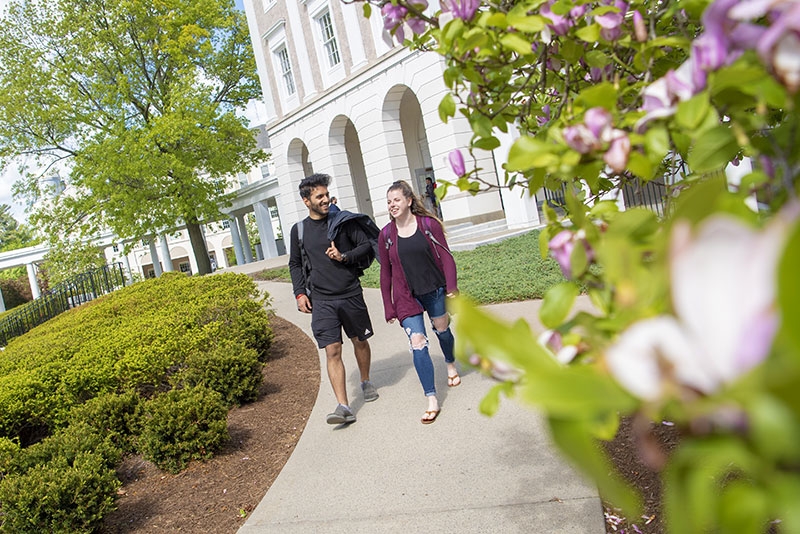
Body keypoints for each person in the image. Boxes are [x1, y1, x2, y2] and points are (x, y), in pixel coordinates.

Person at [288, 174, 379, 425]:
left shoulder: (343, 223)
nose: (326, 199)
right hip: (322, 300)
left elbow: (366, 246)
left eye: (327, 195)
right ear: (306, 201)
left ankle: (365, 380)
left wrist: (344, 257)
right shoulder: (300, 230)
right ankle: (343, 406)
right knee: (333, 350)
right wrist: (299, 293)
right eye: (319, 196)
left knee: (359, 340)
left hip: (350, 292)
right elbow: (295, 264)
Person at [378, 180, 459, 424]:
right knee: (418, 343)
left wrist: (452, 286)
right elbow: (385, 274)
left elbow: (446, 256)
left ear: (409, 201)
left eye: (397, 200)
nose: (392, 205)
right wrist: (388, 306)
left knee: (442, 331)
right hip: (405, 296)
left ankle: (450, 363)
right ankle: (431, 399)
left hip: (433, 288)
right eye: (389, 201)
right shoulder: (386, 235)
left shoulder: (428, 225)